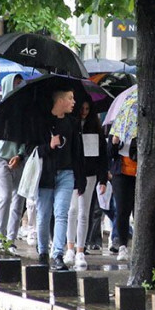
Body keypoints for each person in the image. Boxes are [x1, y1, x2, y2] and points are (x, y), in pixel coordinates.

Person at [37, 89, 85, 269]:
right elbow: (30, 151)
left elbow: (77, 152)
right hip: (46, 176)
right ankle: (43, 251)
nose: (74, 102)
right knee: (43, 215)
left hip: (66, 173)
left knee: (61, 213)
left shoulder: (72, 123)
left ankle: (57, 254)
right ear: (60, 101)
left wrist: (80, 178)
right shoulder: (42, 122)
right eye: (70, 98)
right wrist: (49, 146)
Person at [65, 99, 107, 270]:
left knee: (83, 212)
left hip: (90, 174)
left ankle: (80, 249)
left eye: (87, 109)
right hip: (74, 173)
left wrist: (103, 178)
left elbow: (102, 155)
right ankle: (70, 247)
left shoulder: (95, 129)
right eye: (82, 108)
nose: (84, 112)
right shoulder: (72, 127)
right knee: (72, 210)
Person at [0, 74, 30, 245]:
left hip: (19, 159)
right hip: (1, 158)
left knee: (18, 199)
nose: (18, 86)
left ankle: (11, 240)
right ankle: (0, 237)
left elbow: (27, 137)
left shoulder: (25, 110)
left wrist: (20, 155)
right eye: (15, 83)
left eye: (20, 83)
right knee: (5, 196)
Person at [108, 131, 136, 264]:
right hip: (121, 173)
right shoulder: (117, 127)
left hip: (139, 172)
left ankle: (139, 245)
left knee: (139, 211)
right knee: (121, 210)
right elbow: (109, 153)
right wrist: (114, 143)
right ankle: (123, 245)